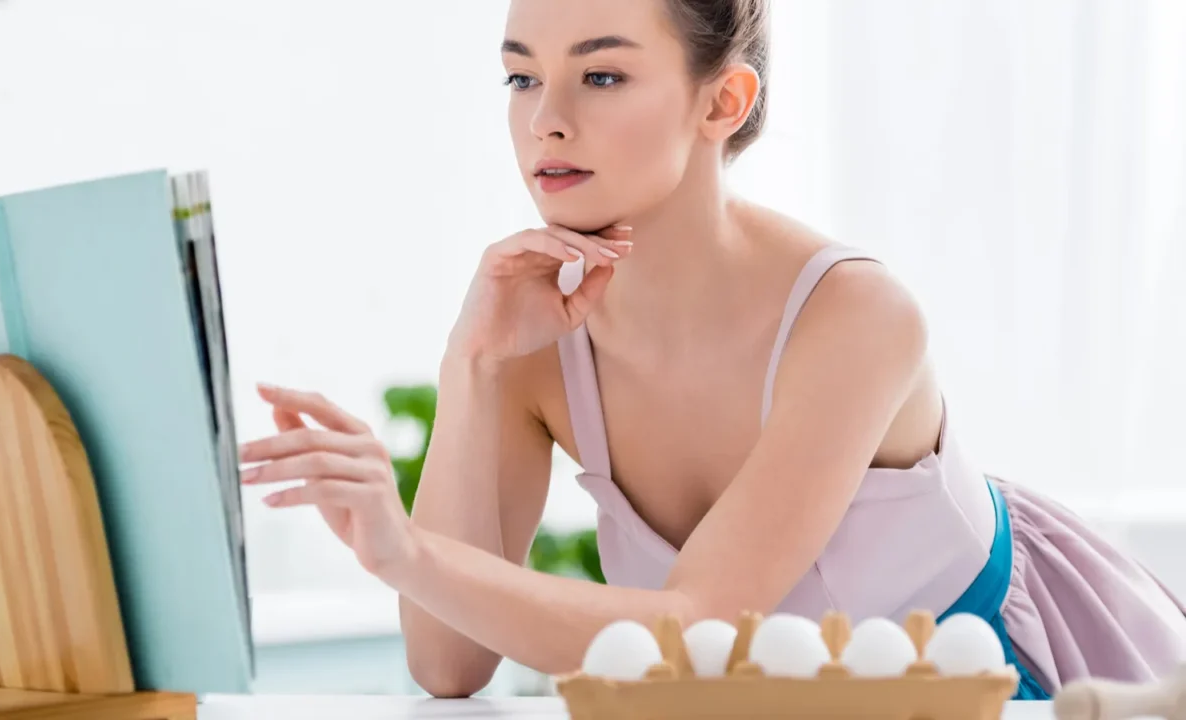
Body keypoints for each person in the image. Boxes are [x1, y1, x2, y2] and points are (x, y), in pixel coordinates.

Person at [237, 0, 1186, 700]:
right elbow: (447, 666)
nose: (545, 119)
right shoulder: (529, 335)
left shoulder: (857, 317)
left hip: (1013, 684)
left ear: (722, 102)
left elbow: (698, 627)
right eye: (522, 75)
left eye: (600, 75)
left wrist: (399, 546)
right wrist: (472, 363)